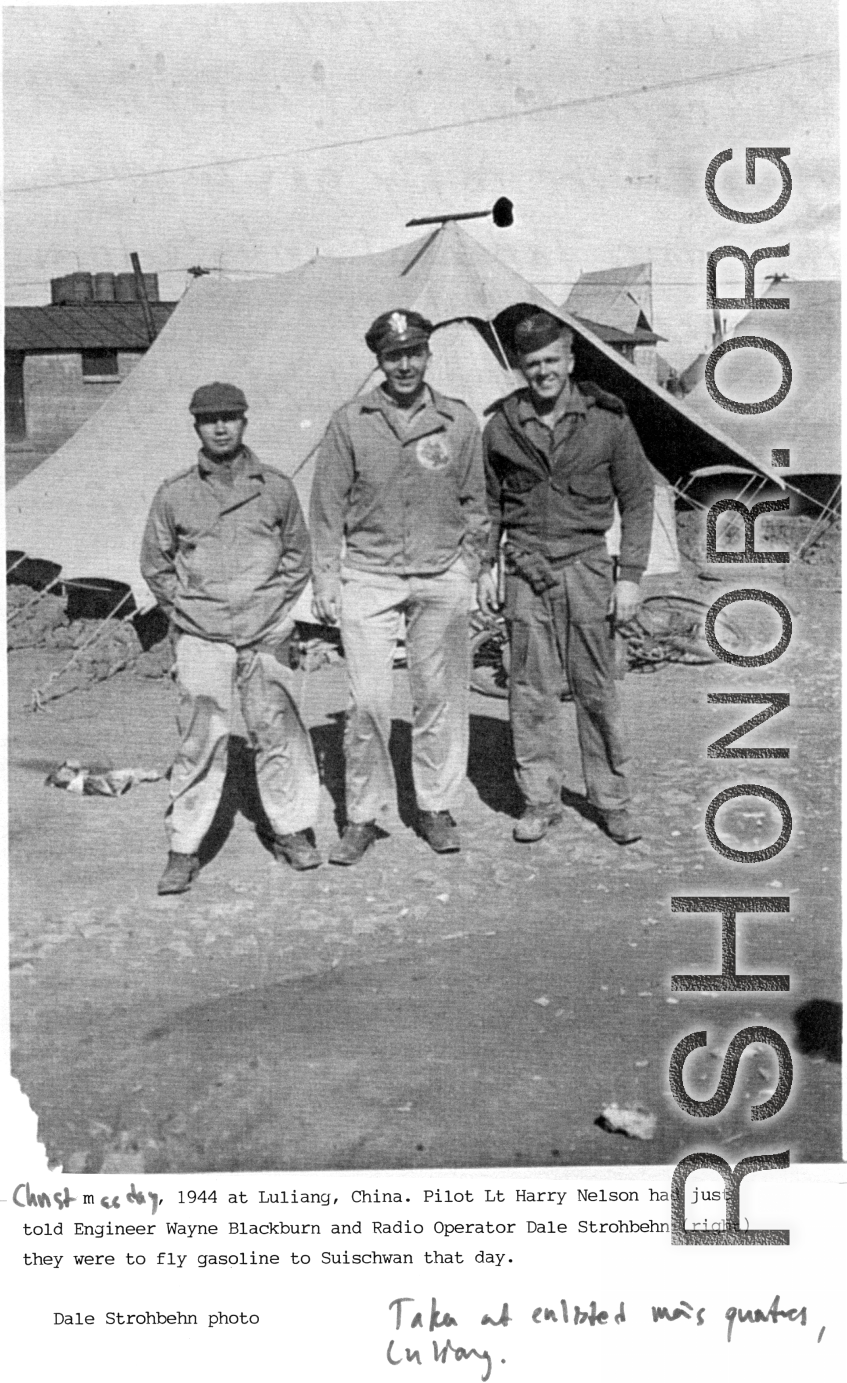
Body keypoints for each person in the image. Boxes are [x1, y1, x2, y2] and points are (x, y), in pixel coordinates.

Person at [310, 309, 489, 864]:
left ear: (428, 355)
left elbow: (476, 502)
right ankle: (363, 816)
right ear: (379, 361)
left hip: (440, 574)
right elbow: (326, 506)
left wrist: (472, 567)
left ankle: (435, 806)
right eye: (394, 356)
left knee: (438, 696)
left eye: (414, 353)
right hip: (369, 574)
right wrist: (326, 576)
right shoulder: (350, 421)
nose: (405, 364)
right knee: (368, 702)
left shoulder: (458, 422)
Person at [479, 312, 654, 845]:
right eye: (532, 364)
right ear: (521, 367)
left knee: (595, 688)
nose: (542, 372)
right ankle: (539, 800)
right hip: (526, 569)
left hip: (587, 567)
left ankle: (612, 800)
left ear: (571, 361)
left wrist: (630, 576)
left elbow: (639, 496)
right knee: (530, 690)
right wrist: (486, 566)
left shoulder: (608, 420)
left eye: (551, 360)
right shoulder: (503, 425)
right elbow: (489, 504)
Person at [140, 381, 321, 894]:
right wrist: (192, 614)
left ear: (245, 422)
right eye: (209, 418)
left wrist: (274, 608)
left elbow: (297, 557)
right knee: (200, 738)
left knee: (278, 731)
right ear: (196, 426)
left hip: (265, 632)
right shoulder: (175, 493)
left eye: (230, 417)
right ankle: (184, 847)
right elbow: (156, 565)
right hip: (203, 635)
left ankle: (291, 830)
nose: (220, 426)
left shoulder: (277, 487)